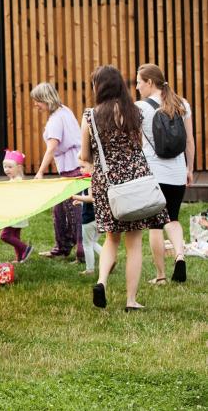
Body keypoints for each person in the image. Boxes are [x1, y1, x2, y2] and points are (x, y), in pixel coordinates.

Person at [80, 65, 169, 311]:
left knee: (111, 239)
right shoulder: (134, 112)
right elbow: (137, 145)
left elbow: (85, 155)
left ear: (99, 87)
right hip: (135, 180)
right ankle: (131, 300)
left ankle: (101, 282)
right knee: (134, 243)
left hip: (107, 183)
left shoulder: (90, 116)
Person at [135, 63, 195, 284]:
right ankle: (180, 255)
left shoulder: (140, 107)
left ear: (150, 82)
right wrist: (189, 169)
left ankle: (160, 276)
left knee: (155, 225)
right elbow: (189, 140)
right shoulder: (182, 103)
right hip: (177, 172)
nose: (138, 86)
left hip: (154, 173)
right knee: (174, 218)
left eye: (139, 81)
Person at [32, 82, 84, 264]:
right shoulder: (64, 111)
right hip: (72, 168)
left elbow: (51, 148)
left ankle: (81, 251)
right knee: (60, 209)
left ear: (45, 99)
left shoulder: (56, 118)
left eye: (37, 101)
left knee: (74, 210)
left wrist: (39, 173)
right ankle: (63, 247)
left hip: (72, 169)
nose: (35, 105)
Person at [0, 150, 33, 263]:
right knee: (15, 236)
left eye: (10, 167)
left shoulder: (17, 182)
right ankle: (19, 258)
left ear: (18, 167)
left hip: (15, 213)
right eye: (5, 166)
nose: (6, 169)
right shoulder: (14, 180)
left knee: (5, 235)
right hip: (18, 213)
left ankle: (25, 248)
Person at [71, 159, 103, 276]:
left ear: (93, 168)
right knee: (93, 242)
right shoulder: (98, 180)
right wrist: (80, 202)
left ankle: (90, 269)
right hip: (99, 217)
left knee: (87, 244)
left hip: (89, 218)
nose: (80, 170)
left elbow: (92, 198)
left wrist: (76, 197)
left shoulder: (89, 180)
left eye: (83, 167)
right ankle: (108, 259)